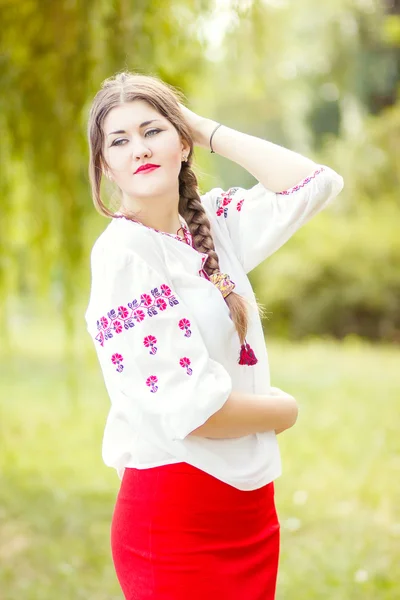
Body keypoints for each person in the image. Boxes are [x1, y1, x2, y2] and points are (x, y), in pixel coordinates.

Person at [84, 71, 344, 600]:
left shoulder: (214, 225)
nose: (139, 149)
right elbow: (197, 413)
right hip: (176, 520)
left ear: (182, 142)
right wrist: (285, 411)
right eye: (119, 140)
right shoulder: (123, 257)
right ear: (105, 166)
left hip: (249, 510)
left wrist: (203, 129)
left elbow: (315, 184)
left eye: (152, 130)